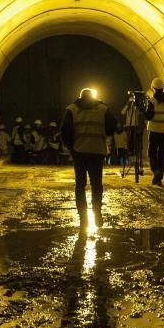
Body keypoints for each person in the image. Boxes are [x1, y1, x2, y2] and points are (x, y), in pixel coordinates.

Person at [61, 88, 117, 228]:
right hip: (97, 151)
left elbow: (64, 130)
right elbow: (112, 126)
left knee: (80, 184)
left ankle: (83, 216)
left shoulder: (72, 109)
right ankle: (97, 211)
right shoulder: (103, 109)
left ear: (80, 97)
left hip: (79, 151)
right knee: (96, 183)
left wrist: (70, 146)